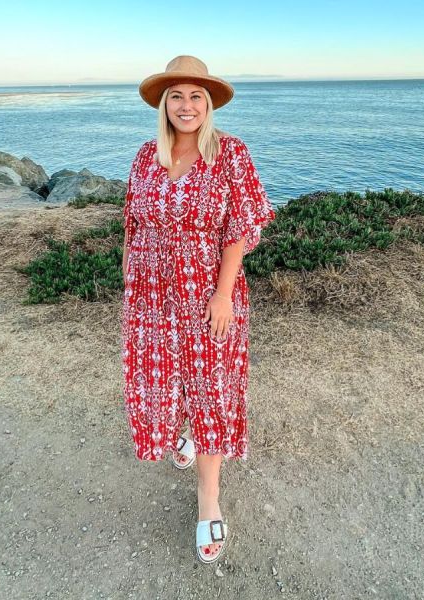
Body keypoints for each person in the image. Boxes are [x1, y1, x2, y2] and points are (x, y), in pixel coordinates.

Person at [121, 55, 276, 564]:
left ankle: (208, 500)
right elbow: (133, 223)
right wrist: (133, 286)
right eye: (177, 96)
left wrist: (223, 292)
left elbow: (242, 227)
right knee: (167, 378)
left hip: (208, 287)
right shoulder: (147, 156)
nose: (186, 106)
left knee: (212, 387)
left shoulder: (229, 153)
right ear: (163, 105)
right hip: (151, 293)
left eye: (196, 97)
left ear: (209, 105)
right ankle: (182, 431)